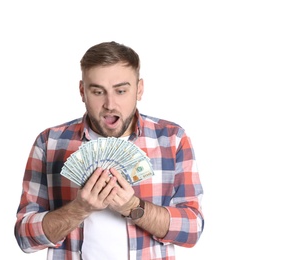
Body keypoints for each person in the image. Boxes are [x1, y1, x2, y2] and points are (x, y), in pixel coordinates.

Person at [14, 41, 204, 260]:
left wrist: (134, 207)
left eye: (121, 91)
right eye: (97, 91)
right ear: (82, 91)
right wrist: (79, 208)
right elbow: (24, 238)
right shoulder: (50, 142)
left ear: (139, 89)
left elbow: (192, 230)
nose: (110, 104)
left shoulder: (172, 139)